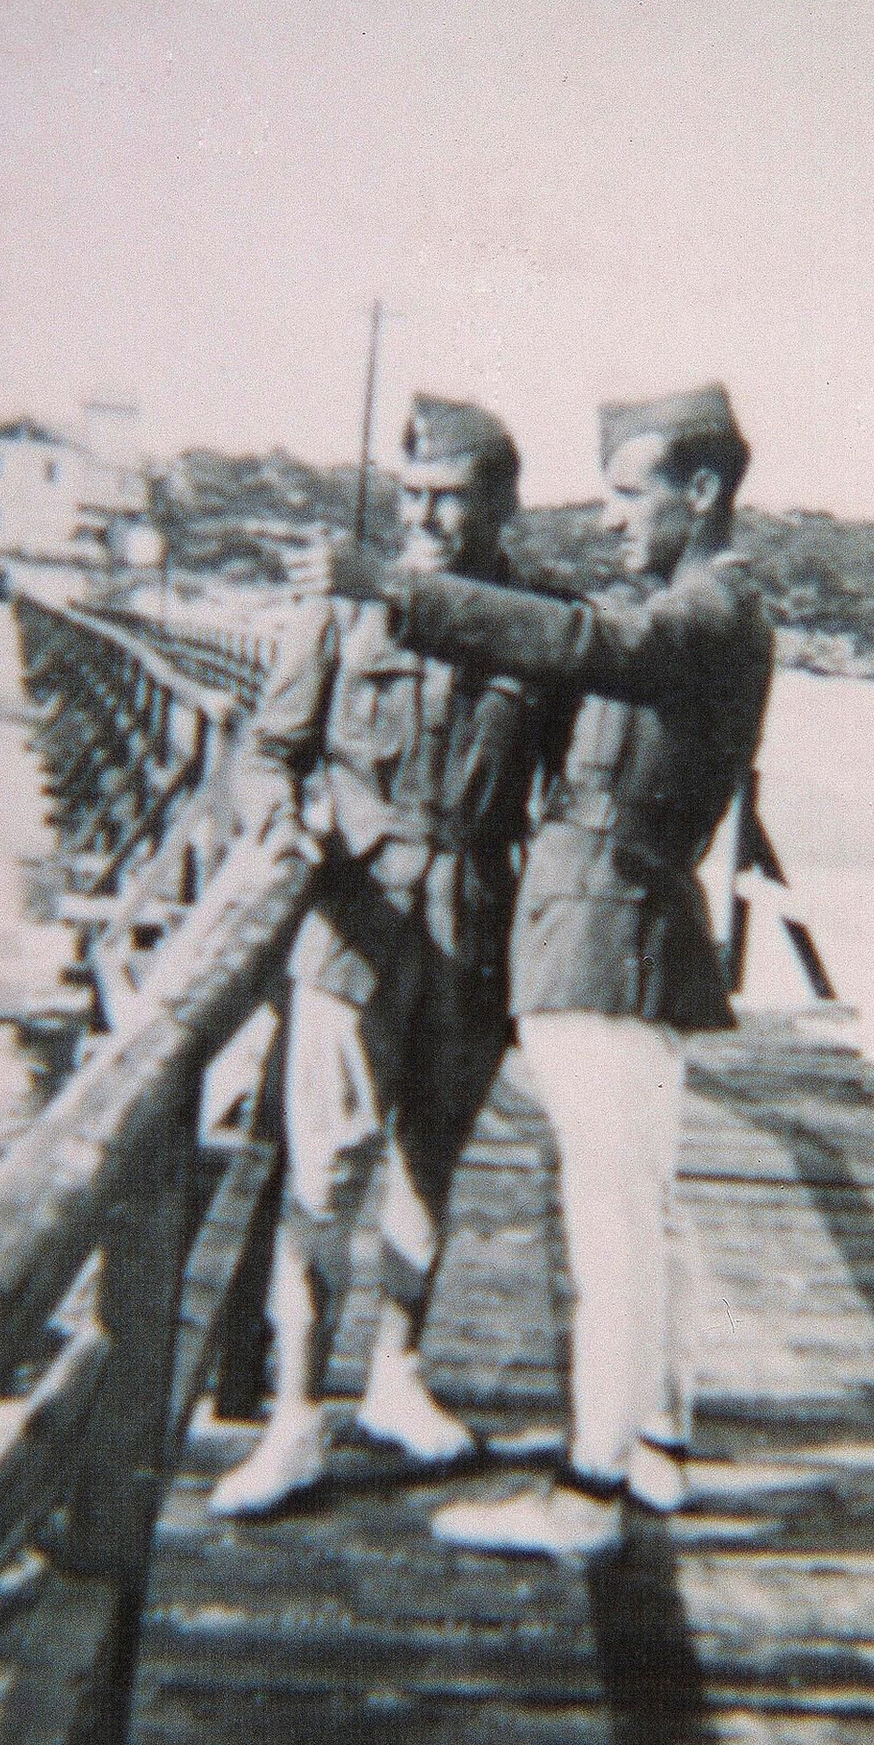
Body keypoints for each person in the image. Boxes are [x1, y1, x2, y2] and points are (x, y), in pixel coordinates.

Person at [296, 382, 773, 1557]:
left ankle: (588, 1489)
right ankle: (654, 1446)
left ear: (700, 491)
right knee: (643, 1212)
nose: (610, 518)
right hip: (605, 929)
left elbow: (583, 643)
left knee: (607, 1218)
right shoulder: (685, 604)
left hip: (604, 937)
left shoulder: (709, 609)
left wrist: (394, 591)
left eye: (628, 493)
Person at [209, 395, 547, 1516]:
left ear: (502, 501)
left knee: (427, 1165)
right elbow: (269, 753)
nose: (423, 518)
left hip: (473, 928)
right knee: (324, 1173)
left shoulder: (536, 619)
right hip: (355, 928)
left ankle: (396, 1377)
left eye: (448, 498)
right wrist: (277, 818)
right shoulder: (339, 610)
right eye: (409, 497)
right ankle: (296, 1419)